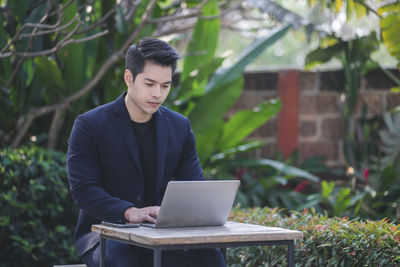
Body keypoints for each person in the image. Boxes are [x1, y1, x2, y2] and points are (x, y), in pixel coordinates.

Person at [66, 38, 225, 267]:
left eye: (165, 85)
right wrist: (128, 211)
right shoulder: (90, 125)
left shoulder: (179, 127)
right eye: (149, 84)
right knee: (124, 261)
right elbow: (83, 188)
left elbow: (193, 185)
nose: (157, 94)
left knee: (210, 257)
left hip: (161, 233)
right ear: (129, 78)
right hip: (108, 233)